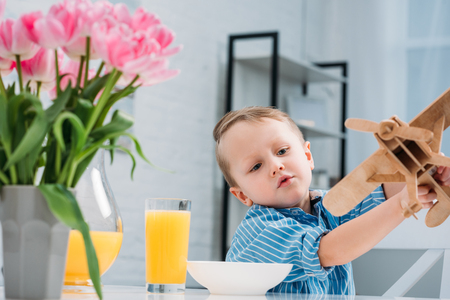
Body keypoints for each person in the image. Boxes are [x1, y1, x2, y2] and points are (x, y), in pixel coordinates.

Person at [213, 106, 450, 294]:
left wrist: (427, 175)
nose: (276, 166)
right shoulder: (258, 232)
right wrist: (401, 204)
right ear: (243, 195)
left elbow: (384, 191)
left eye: (282, 151)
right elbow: (329, 250)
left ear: (308, 156)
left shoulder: (329, 205)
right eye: (256, 166)